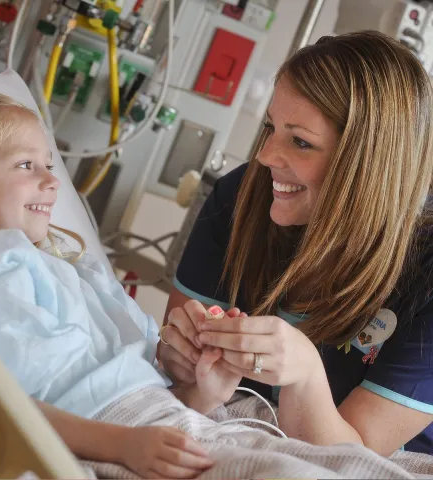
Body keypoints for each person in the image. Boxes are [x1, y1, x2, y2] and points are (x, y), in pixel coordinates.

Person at [0, 72, 243, 479]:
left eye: (49, 165)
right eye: (25, 165)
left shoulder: (69, 265)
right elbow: (11, 404)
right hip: (111, 435)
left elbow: (141, 383)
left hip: (167, 419)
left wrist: (200, 391)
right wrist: (121, 445)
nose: (53, 180)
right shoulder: (9, 263)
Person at [159, 30, 433, 456]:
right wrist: (182, 354)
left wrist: (304, 372)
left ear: (368, 164)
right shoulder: (243, 194)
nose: (266, 155)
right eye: (271, 127)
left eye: (300, 141)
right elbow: (178, 364)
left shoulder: (426, 270)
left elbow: (352, 462)